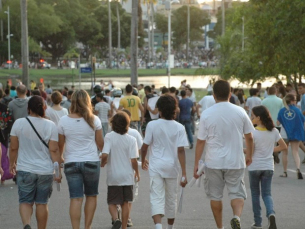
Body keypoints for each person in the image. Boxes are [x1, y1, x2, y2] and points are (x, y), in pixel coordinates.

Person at [194, 80, 254, 229]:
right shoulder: (240, 111)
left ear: (213, 95)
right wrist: (249, 155)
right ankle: (236, 217)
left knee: (215, 196)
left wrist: (196, 163)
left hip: (213, 161)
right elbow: (250, 137)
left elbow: (201, 141)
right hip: (235, 160)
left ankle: (220, 227)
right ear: (230, 93)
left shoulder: (207, 113)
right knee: (237, 193)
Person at [9, 95, 62, 229]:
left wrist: (11, 164)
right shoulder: (50, 125)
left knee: (25, 201)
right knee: (42, 203)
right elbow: (54, 150)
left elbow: (14, 147)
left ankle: (27, 224)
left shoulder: (18, 123)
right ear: (44, 108)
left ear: (28, 109)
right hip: (45, 170)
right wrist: (58, 172)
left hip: (25, 169)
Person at [58, 89, 104, 229]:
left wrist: (60, 158)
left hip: (71, 162)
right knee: (91, 196)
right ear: (88, 101)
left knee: (76, 198)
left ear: (72, 102)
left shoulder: (63, 121)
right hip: (91, 161)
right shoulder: (94, 119)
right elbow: (100, 144)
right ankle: (87, 227)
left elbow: (61, 144)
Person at [141, 95, 188, 229]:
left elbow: (144, 147)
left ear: (159, 110)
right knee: (171, 199)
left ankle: (158, 226)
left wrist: (144, 159)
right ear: (175, 109)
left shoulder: (152, 125)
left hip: (156, 166)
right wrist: (184, 173)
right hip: (172, 168)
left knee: (156, 197)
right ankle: (169, 227)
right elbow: (181, 151)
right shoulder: (179, 127)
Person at [248, 106, 287, 229]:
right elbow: (284, 146)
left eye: (253, 116)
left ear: (258, 118)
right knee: (267, 194)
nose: (251, 118)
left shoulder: (253, 133)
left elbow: (251, 151)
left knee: (255, 194)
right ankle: (271, 214)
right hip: (268, 167)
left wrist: (243, 151)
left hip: (255, 167)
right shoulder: (274, 131)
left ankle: (258, 222)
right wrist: (270, 150)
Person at [101, 112, 140, 229]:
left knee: (112, 202)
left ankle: (115, 219)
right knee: (125, 203)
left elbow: (104, 154)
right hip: (127, 176)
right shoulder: (132, 140)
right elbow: (134, 160)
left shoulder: (109, 136)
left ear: (113, 124)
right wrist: (137, 173)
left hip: (114, 176)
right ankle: (124, 226)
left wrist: (103, 162)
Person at [277, 94, 304, 179]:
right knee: (295, 152)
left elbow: (278, 123)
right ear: (292, 101)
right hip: (295, 133)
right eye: (295, 100)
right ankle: (298, 169)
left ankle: (285, 172)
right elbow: (303, 120)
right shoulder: (297, 110)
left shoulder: (282, 110)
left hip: (285, 133)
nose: (296, 102)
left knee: (285, 152)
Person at [262, 86, 284, 163]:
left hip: (267, 123)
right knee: (278, 140)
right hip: (278, 123)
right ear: (276, 92)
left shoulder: (264, 101)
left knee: (269, 140)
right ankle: (276, 152)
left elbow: (262, 113)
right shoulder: (280, 101)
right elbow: (283, 112)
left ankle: (272, 154)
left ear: (268, 92)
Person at [0, 89, 13, 184]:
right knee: (3, 155)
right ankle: (2, 177)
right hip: (3, 134)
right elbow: (9, 121)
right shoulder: (5, 107)